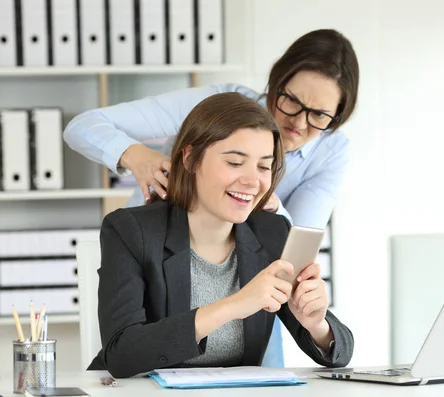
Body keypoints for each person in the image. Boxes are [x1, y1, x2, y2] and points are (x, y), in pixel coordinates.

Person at [63, 28, 359, 368]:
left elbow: (334, 342)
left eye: (266, 166)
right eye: (234, 161)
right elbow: (123, 352)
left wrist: (316, 322)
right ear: (189, 157)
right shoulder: (130, 232)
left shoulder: (274, 231)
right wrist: (136, 155)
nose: (298, 122)